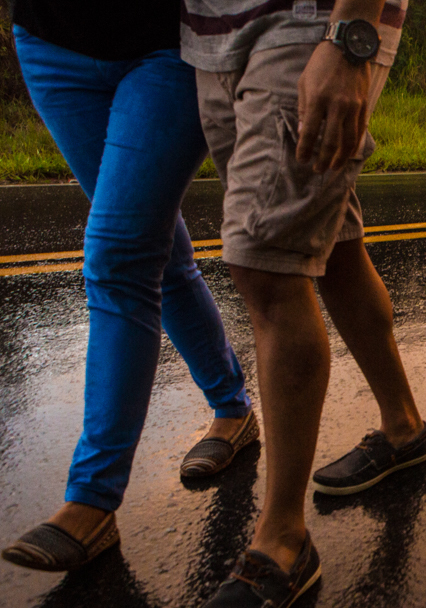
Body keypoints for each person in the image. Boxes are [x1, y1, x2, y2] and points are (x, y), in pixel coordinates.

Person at [174, 0, 426, 608]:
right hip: (214, 35)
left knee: (267, 266)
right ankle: (403, 428)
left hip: (310, 21)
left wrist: (350, 39)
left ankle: (283, 543)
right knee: (332, 244)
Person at [2, 1, 257, 573]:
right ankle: (232, 407)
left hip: (169, 46)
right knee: (151, 251)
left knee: (120, 253)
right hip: (51, 45)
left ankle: (91, 499)